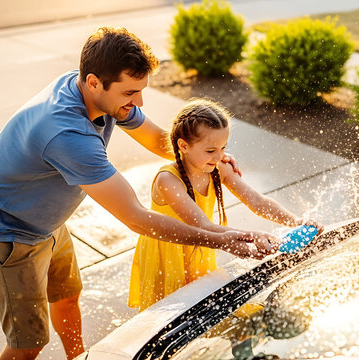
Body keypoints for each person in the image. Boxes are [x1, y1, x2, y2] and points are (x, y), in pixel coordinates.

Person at [0, 27, 278, 360]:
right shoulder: (67, 134)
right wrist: (222, 239)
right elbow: (137, 218)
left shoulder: (90, 88)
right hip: (7, 233)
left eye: (141, 90)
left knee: (67, 297)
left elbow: (159, 140)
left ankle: (76, 357)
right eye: (130, 92)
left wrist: (201, 155)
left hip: (49, 222)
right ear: (95, 82)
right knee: (28, 342)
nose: (138, 102)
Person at [128, 98, 323, 311]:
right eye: (211, 150)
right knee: (172, 317)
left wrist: (294, 220)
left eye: (223, 147)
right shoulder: (168, 180)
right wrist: (253, 236)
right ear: (183, 146)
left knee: (204, 310)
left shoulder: (218, 167)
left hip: (203, 246)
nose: (220, 156)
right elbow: (201, 225)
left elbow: (257, 201)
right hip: (168, 255)